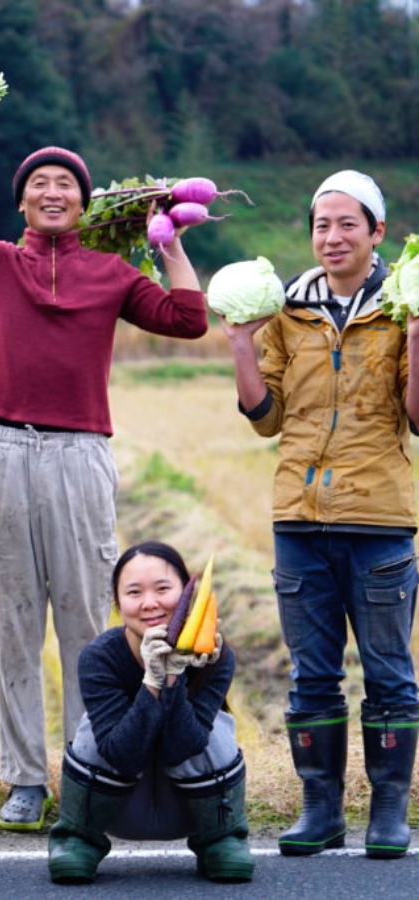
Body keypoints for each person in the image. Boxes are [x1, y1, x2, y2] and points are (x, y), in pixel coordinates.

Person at [0, 74, 209, 830]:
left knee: (88, 620)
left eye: (66, 185)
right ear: (21, 202)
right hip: (6, 451)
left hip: (83, 456)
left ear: (85, 204)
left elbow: (187, 319)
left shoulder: (111, 274)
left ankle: (95, 768)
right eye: (39, 184)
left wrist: (169, 240)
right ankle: (23, 778)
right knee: (13, 619)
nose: (52, 193)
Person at [218, 170, 419, 859]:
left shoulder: (398, 307)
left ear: (377, 233)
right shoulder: (288, 310)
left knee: (389, 672)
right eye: (321, 225)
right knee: (312, 674)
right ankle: (321, 809)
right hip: (299, 519)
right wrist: (241, 344)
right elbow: (265, 420)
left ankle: (389, 813)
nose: (332, 237)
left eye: (347, 224)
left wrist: (417, 333)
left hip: (381, 521)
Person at [47, 541, 255, 885]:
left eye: (163, 589)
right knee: (93, 730)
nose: (149, 603)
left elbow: (182, 747)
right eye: (133, 592)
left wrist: (173, 677)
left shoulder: (216, 655)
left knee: (215, 728)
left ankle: (222, 839)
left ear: (187, 594)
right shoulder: (99, 657)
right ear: (118, 602)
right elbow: (121, 756)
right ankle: (76, 838)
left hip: (189, 806)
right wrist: (152, 680)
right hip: (117, 805)